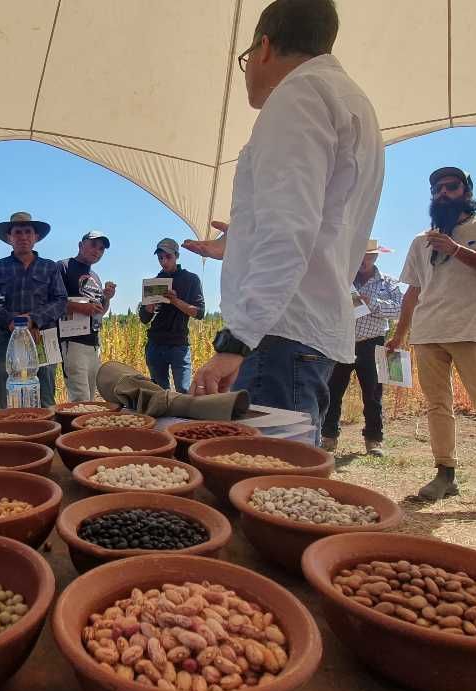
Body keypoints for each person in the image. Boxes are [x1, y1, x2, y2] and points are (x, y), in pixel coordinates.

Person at [190, 0, 385, 447]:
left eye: (245, 61)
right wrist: (239, 244)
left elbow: (291, 230)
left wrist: (235, 342)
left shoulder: (298, 96)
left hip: (277, 335)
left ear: (263, 47)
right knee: (287, 482)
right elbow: (319, 222)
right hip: (301, 330)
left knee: (268, 487)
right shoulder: (350, 100)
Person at [387, 166, 476, 500]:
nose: (443, 194)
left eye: (451, 187)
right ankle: (444, 474)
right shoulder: (421, 241)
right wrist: (400, 335)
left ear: (466, 191)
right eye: (437, 189)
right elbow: (413, 292)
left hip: (470, 331)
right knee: (437, 406)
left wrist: (455, 249)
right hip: (427, 334)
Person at [0, 211, 67, 408]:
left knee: (45, 399)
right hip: (4, 342)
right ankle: (10, 438)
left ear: (36, 237)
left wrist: (33, 318)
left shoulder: (49, 267)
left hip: (41, 339)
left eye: (28, 232)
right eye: (18, 232)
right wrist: (11, 320)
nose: (23, 237)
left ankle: (45, 438)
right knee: (8, 400)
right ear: (9, 238)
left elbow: (61, 301)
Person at [320, 239, 401, 456]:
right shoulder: (343, 280)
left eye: (369, 256)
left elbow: (400, 310)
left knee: (373, 394)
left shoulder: (389, 283)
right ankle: (328, 437)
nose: (364, 260)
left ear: (376, 257)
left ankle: (374, 440)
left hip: (373, 343)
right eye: (361, 255)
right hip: (341, 342)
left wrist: (372, 303)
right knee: (332, 392)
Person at [138, 239, 204, 392]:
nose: (164, 261)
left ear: (177, 256)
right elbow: (144, 319)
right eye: (160, 258)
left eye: (168, 257)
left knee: (183, 390)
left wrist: (175, 301)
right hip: (155, 344)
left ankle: (184, 416)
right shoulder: (154, 283)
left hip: (179, 344)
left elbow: (199, 313)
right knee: (160, 393)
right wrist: (149, 307)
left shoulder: (191, 280)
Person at [58, 231, 115, 402]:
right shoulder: (63, 267)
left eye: (101, 249)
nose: (97, 251)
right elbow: (52, 303)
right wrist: (82, 308)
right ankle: (77, 429)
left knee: (90, 398)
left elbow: (100, 312)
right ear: (80, 245)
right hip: (72, 342)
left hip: (93, 343)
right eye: (93, 245)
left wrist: (107, 298)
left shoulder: (95, 276)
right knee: (80, 399)